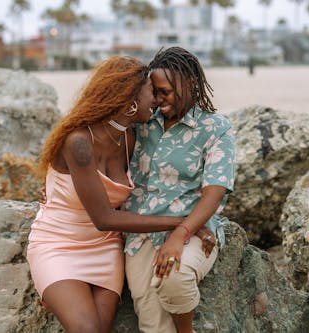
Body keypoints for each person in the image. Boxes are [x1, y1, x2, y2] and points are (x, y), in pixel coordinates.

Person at [26, 55, 214, 333]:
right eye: (152, 91)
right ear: (131, 97)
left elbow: (174, 170)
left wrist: (203, 217)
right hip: (59, 244)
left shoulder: (131, 138)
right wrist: (184, 224)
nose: (158, 100)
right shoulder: (79, 142)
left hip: (105, 248)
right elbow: (104, 217)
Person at [123, 47, 236, 333]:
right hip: (141, 235)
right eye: (155, 92)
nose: (159, 100)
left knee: (175, 277)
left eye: (166, 92)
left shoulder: (215, 129)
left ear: (191, 84)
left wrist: (182, 233)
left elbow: (214, 192)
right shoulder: (145, 121)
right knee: (151, 322)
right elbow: (100, 134)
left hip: (193, 230)